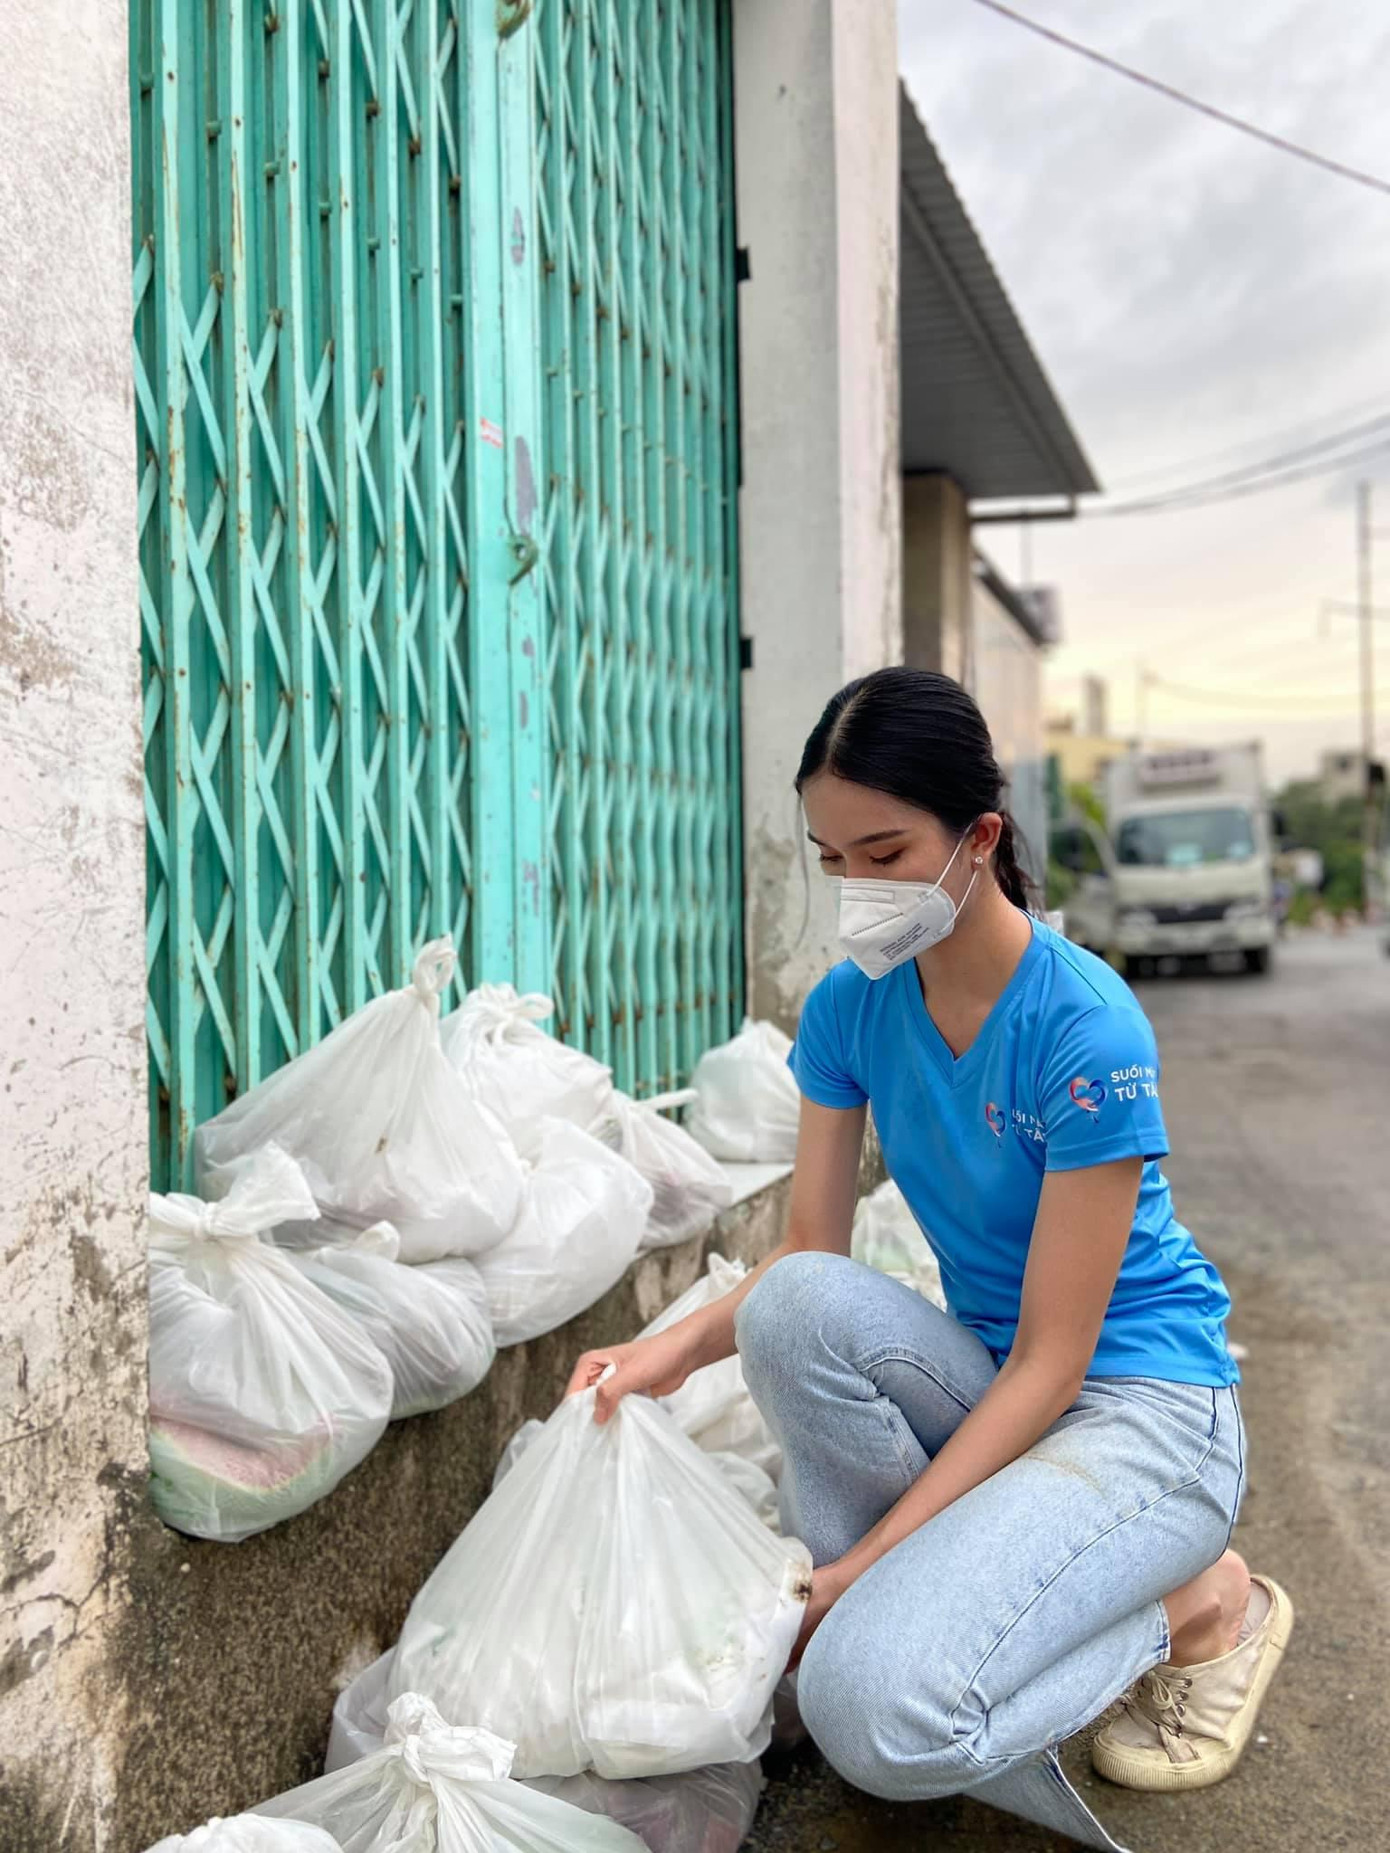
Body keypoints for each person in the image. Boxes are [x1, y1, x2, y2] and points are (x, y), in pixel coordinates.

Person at [568, 668, 1292, 1848]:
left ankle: (1197, 1603)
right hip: (996, 1382)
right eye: (831, 856)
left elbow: (1060, 1361)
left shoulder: (1084, 1027)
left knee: (877, 1718)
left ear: (980, 838)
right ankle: (882, 1634)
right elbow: (806, 1250)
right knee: (793, 1303)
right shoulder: (855, 1007)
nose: (855, 886)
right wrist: (663, 1353)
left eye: (886, 849)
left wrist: (865, 1571)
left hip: (1142, 1412)